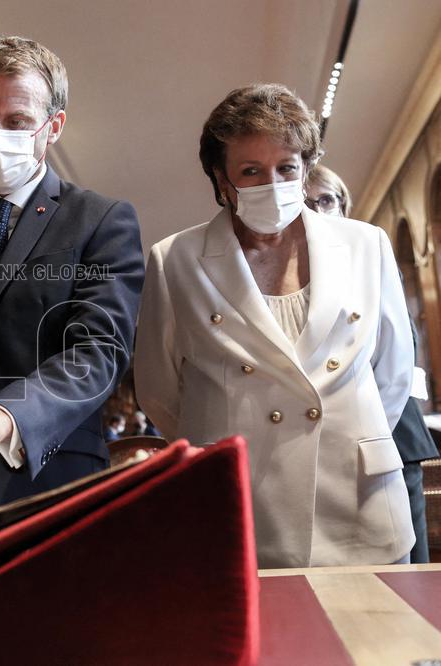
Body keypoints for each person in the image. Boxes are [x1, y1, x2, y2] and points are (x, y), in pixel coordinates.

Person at [134, 83, 415, 568]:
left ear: (305, 169)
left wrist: (340, 437)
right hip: (239, 502)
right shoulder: (175, 259)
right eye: (251, 171)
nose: (272, 182)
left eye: (286, 167)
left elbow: (392, 373)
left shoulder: (366, 245)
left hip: (357, 498)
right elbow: (160, 391)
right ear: (222, 181)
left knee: (372, 640)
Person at [0, 36, 145, 513]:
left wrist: (5, 414)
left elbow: (97, 352)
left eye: (17, 122)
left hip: (42, 479)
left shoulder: (100, 221)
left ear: (53, 126)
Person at [306, 164, 438, 564]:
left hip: (392, 434)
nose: (319, 209)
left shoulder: (370, 256)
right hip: (326, 445)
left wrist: (372, 428)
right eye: (309, 203)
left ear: (344, 205)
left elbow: (402, 347)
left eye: (327, 199)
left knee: (409, 565)